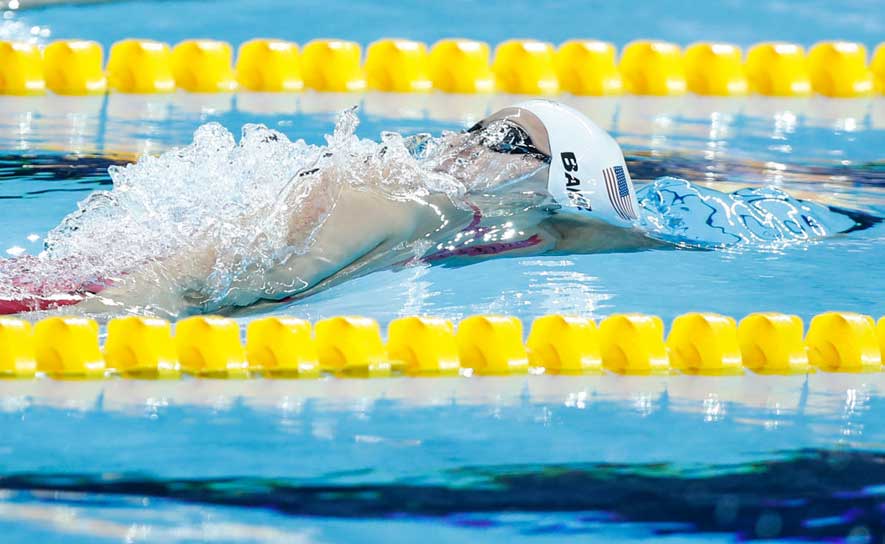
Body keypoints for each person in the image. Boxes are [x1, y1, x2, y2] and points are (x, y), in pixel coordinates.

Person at [0, 100, 862, 317]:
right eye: (482, 127)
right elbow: (170, 292)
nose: (467, 139)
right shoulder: (395, 201)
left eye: (504, 138)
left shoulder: (438, 215)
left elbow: (582, 237)